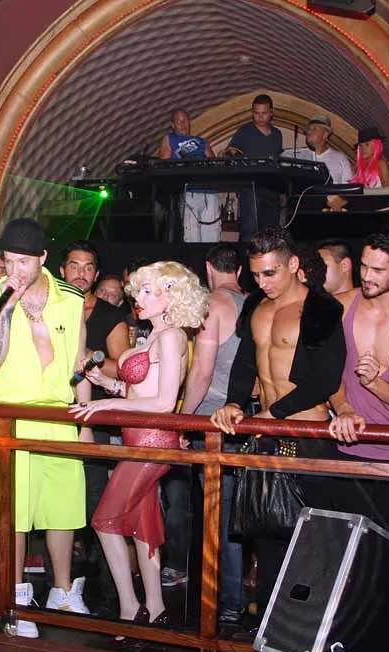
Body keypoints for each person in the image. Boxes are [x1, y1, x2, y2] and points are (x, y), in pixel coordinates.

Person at [211, 228, 346, 619]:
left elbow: (325, 378)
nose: (262, 282)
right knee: (267, 541)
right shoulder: (256, 305)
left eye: (270, 273)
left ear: (293, 264)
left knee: (312, 545)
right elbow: (245, 363)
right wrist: (234, 402)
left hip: (308, 437)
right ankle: (270, 631)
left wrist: (273, 414)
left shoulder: (320, 308)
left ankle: (310, 630)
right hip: (268, 437)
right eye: (256, 274)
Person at [0, 218, 93, 638]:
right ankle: (16, 598)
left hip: (58, 415)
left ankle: (62, 590)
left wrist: (84, 416)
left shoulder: (72, 298)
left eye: (24, 261)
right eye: (8, 261)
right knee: (14, 511)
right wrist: (7, 309)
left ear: (42, 258)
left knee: (63, 507)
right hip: (12, 414)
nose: (15, 270)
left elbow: (78, 364)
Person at [72, 261, 207, 628]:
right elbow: (140, 392)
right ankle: (156, 608)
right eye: (139, 291)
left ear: (172, 296)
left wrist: (108, 405)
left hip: (152, 443)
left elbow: (164, 404)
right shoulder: (156, 335)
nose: (139, 298)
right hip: (141, 441)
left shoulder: (171, 336)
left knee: (104, 521)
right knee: (144, 527)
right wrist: (108, 384)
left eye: (149, 291)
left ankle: (130, 608)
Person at [327, 230, 389, 539]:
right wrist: (343, 408)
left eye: (378, 270)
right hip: (349, 446)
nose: (367, 276)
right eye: (364, 266)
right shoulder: (341, 306)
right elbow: (329, 373)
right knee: (346, 549)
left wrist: (375, 384)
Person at [177, 243, 245, 622]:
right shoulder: (251, 303)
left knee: (218, 516)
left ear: (208, 268)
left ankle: (227, 605)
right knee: (237, 514)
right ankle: (231, 600)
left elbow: (202, 372)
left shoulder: (212, 305)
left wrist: (184, 419)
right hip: (245, 418)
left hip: (212, 421)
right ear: (240, 270)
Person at [59, 241, 129, 605]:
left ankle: (103, 588)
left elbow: (126, 369)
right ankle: (60, 584)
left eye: (88, 268)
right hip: (52, 413)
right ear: (62, 270)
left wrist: (91, 359)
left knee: (95, 502)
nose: (81, 273)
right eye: (74, 266)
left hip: (95, 417)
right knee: (56, 502)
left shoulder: (109, 315)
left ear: (96, 274)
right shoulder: (48, 306)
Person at [224, 94, 283, 240]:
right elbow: (231, 151)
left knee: (271, 233)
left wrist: (282, 191)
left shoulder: (277, 134)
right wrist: (228, 153)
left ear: (271, 113)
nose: (260, 117)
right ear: (252, 113)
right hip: (250, 188)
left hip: (272, 189)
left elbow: (278, 162)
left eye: (264, 113)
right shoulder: (244, 131)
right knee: (250, 231)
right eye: (256, 113)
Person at [156, 109, 220, 242]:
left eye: (185, 120)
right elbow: (163, 163)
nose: (182, 124)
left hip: (209, 191)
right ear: (173, 125)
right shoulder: (169, 139)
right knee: (192, 235)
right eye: (178, 121)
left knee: (212, 235)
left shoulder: (202, 141)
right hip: (188, 192)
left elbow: (213, 163)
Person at [305, 115, 352, 184]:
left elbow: (347, 187)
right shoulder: (297, 156)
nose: (309, 132)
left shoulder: (340, 158)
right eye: (308, 129)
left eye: (314, 129)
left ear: (325, 135)